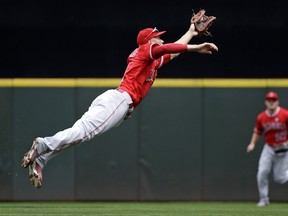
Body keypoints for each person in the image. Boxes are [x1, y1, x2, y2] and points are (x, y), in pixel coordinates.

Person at [21, 18, 218, 188]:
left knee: (80, 135)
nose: (161, 38)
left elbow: (173, 52)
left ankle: (41, 159)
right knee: (83, 133)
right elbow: (167, 47)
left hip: (117, 102)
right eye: (158, 36)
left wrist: (191, 32)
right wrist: (196, 48)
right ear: (149, 41)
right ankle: (43, 144)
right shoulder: (145, 50)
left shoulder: (149, 60)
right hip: (119, 100)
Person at [247, 91, 288, 207]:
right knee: (262, 173)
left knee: (280, 178)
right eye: (269, 100)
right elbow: (257, 132)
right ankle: (264, 199)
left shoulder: (285, 114)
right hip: (269, 148)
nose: (271, 103)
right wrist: (252, 144)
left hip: (284, 148)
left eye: (273, 100)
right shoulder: (261, 117)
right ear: (265, 102)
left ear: (277, 102)